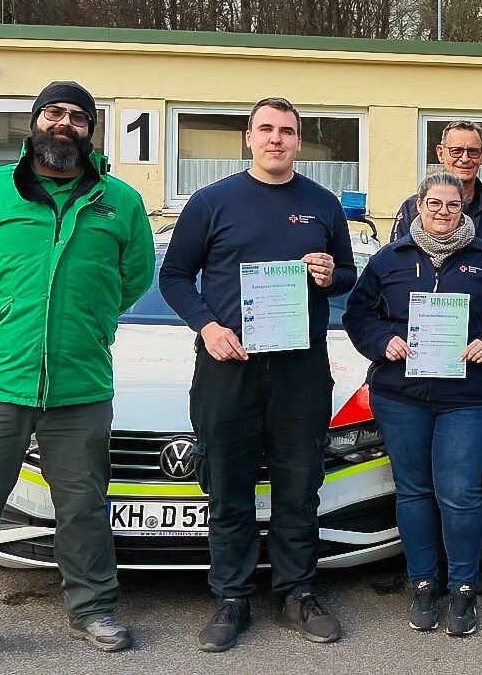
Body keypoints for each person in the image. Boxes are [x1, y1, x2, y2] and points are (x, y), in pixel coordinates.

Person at [0, 81, 154, 670]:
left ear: (91, 131)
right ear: (34, 123)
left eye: (78, 117)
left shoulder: (119, 202)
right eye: (54, 113)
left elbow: (133, 279)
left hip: (81, 383)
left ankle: (93, 609)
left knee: (85, 506)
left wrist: (86, 322)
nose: (64, 124)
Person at [159, 97, 358, 653]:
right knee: (227, 485)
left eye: (287, 131)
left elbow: (345, 275)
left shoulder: (322, 204)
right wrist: (206, 326)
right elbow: (175, 277)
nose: (276, 139)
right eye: (266, 129)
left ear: (299, 141)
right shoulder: (212, 201)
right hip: (229, 365)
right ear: (248, 137)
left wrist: (329, 274)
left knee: (300, 484)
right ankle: (231, 597)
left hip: (300, 369)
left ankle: (297, 592)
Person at [344, 172, 482, 636]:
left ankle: (463, 587)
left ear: (463, 208)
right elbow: (358, 313)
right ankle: (423, 582)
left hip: (466, 398)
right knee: (413, 490)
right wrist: (383, 341)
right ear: (418, 206)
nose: (443, 211)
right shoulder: (390, 259)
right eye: (434, 204)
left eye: (452, 204)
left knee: (461, 492)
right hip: (400, 395)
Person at [390, 121, 482, 594]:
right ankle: (423, 568)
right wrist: (388, 338)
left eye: (474, 151)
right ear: (441, 153)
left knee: (472, 475)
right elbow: (377, 301)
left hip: (472, 374)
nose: (465, 157)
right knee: (417, 483)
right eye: (457, 150)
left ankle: (474, 562)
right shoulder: (403, 227)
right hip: (409, 378)